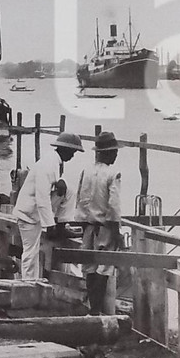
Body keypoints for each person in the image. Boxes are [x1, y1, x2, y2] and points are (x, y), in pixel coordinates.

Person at [13, 130, 83, 282]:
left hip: (35, 214)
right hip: (28, 215)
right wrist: (49, 225)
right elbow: (42, 198)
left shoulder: (54, 161)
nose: (73, 156)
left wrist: (62, 180)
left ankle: (62, 224)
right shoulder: (48, 164)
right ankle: (28, 286)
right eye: (72, 152)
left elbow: (53, 187)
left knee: (69, 189)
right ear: (65, 150)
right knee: (30, 254)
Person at [74, 129, 122, 314]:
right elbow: (114, 206)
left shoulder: (86, 171)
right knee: (105, 267)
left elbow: (81, 199)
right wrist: (116, 232)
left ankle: (92, 308)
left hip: (88, 225)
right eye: (114, 151)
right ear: (107, 153)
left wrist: (83, 223)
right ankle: (96, 309)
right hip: (105, 226)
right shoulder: (113, 174)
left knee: (90, 266)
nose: (116, 155)